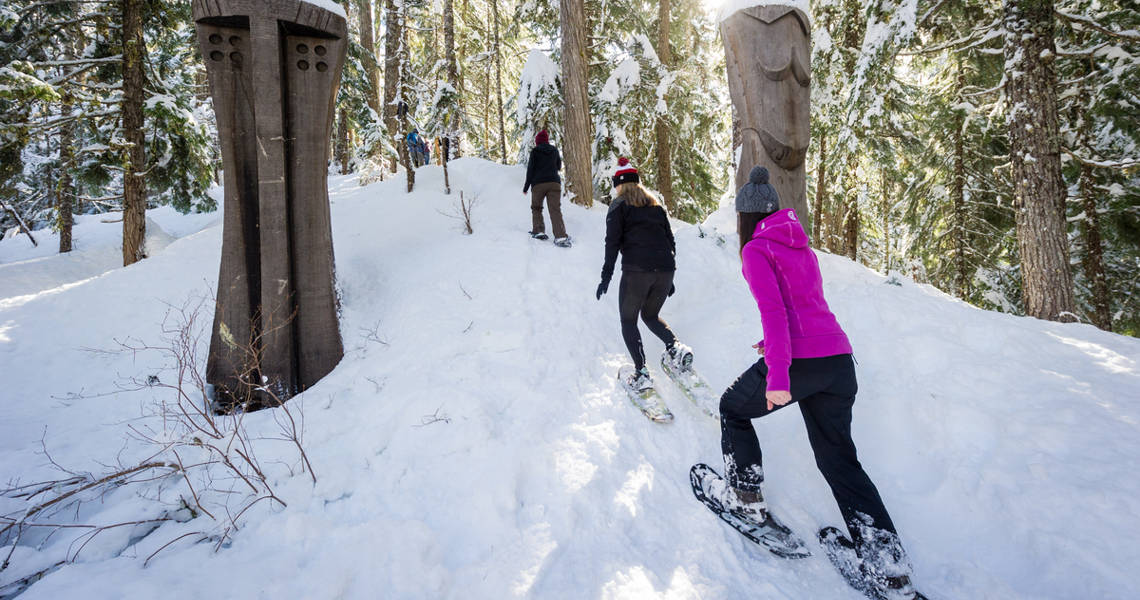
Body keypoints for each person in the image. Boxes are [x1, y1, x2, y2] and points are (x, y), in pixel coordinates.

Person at [703, 164, 918, 599]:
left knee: (732, 408)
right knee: (840, 460)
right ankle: (889, 569)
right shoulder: (800, 246)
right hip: (839, 361)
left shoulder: (756, 250)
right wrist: (772, 345)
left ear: (745, 218)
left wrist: (779, 374)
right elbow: (805, 306)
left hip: (801, 364)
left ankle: (746, 499)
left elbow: (777, 312)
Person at [595, 157, 693, 391]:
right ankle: (675, 348)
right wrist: (668, 276)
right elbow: (670, 241)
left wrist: (606, 276)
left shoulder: (619, 206)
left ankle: (641, 371)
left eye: (615, 184)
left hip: (637, 272)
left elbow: (612, 243)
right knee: (649, 315)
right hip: (664, 269)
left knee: (628, 320)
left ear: (620, 184)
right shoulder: (655, 206)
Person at [522, 130, 570, 247]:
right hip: (554, 183)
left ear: (537, 141)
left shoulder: (535, 151)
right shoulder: (554, 150)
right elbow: (559, 166)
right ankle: (560, 236)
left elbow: (530, 170)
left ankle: (538, 231)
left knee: (537, 207)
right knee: (555, 209)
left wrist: (526, 187)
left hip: (538, 184)